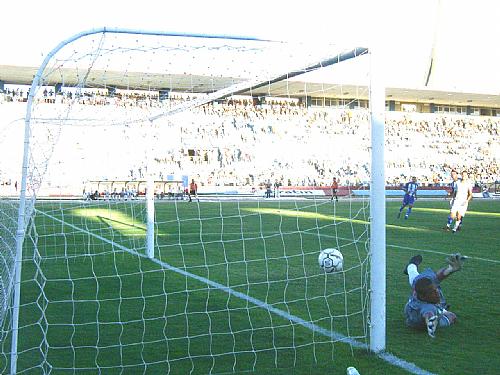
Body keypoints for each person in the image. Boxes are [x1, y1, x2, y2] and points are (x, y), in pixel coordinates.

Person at [403, 253, 466, 338]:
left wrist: (450, 269)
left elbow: (438, 276)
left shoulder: (424, 286)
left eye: (435, 290)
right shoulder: (427, 307)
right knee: (452, 316)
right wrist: (431, 322)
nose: (437, 293)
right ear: (424, 297)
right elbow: (428, 313)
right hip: (417, 320)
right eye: (432, 292)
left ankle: (411, 265)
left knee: (416, 279)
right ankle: (442, 311)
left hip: (411, 306)